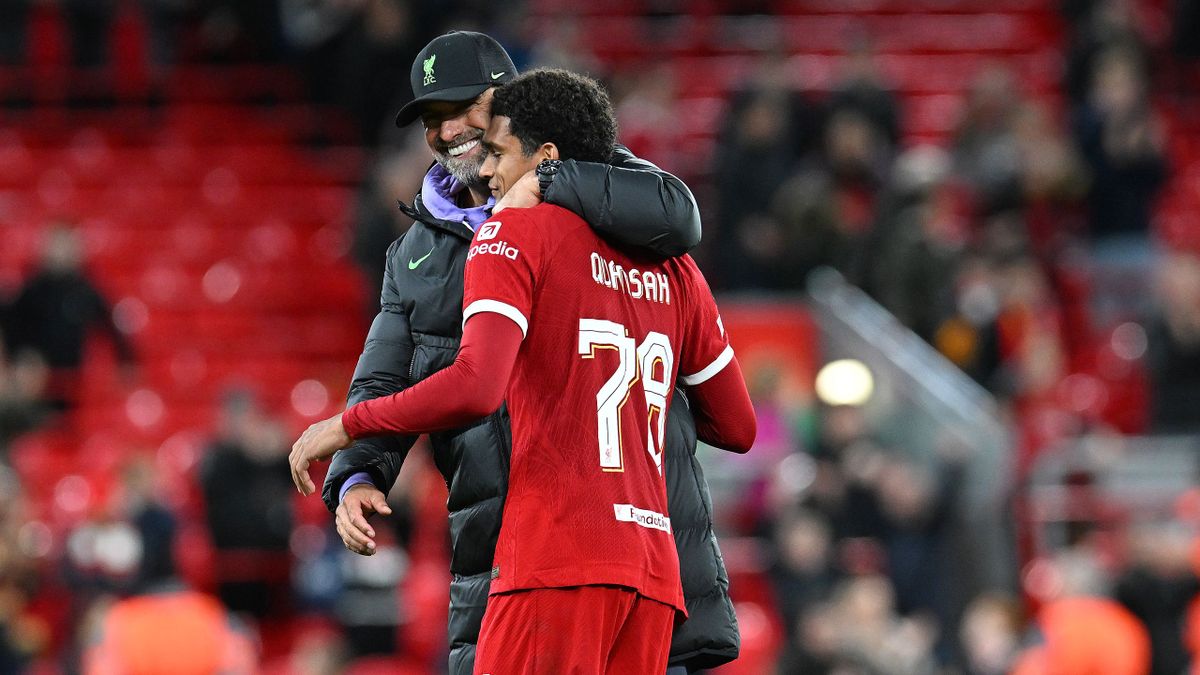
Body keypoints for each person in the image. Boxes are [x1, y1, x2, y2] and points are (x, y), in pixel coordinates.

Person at [292, 66, 756, 672]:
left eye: (500, 152)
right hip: (653, 574)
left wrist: (347, 426)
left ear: (546, 159)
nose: (486, 170)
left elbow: (477, 385)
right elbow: (738, 427)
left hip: (553, 560)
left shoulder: (512, 233)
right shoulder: (676, 267)